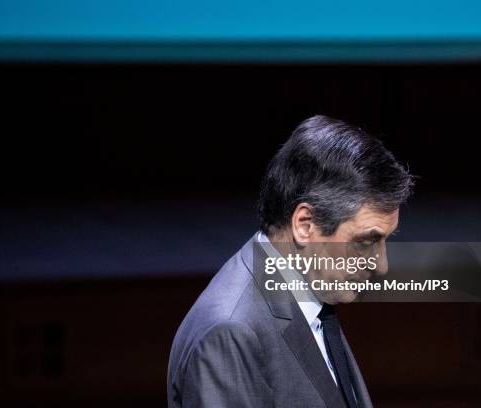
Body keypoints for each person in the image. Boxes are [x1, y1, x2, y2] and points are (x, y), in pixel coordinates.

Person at [167, 115, 413, 407]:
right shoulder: (229, 333)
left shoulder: (312, 295)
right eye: (365, 241)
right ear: (305, 225)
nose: (380, 265)